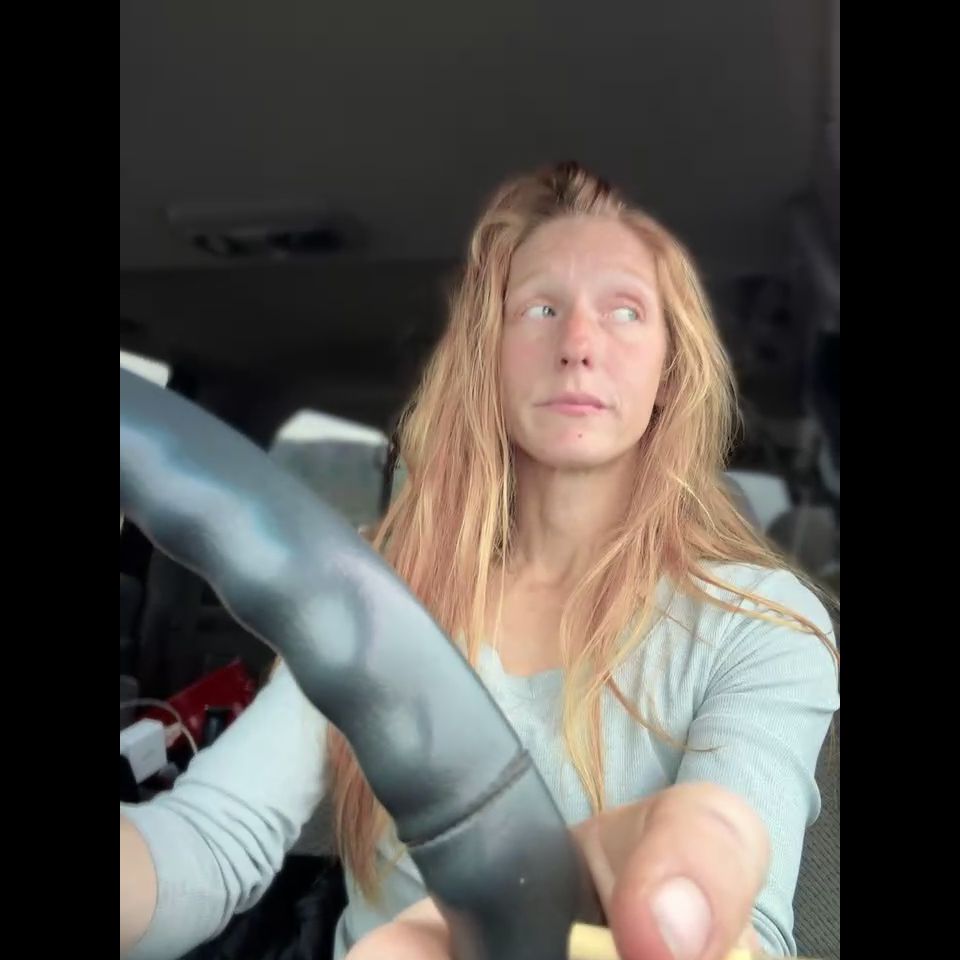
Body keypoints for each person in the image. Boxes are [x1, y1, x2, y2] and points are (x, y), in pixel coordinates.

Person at [120, 162, 839, 960]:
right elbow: (211, 839)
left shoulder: (761, 625)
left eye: (626, 310)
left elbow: (747, 927)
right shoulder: (377, 591)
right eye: (540, 308)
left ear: (670, 372)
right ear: (489, 357)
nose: (578, 345)